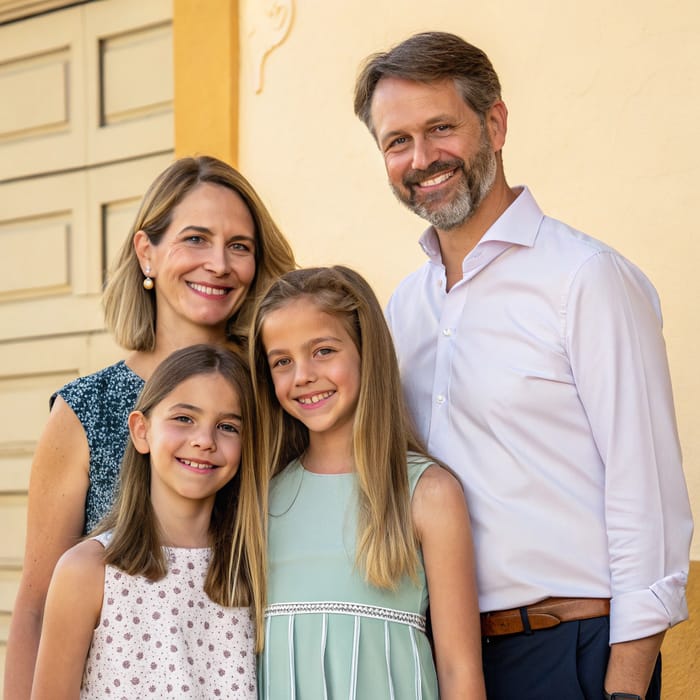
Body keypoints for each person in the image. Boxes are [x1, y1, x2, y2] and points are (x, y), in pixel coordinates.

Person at [353, 31, 693, 700]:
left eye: (441, 128)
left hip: (571, 653)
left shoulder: (586, 279)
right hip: (447, 663)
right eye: (397, 142)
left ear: (496, 124)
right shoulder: (405, 307)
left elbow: (646, 496)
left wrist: (623, 687)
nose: (422, 159)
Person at [5, 155, 295, 699]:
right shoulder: (84, 410)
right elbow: (38, 605)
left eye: (239, 246)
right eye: (195, 239)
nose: (219, 264)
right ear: (148, 253)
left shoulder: (278, 398)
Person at [249, 265, 485, 699]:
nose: (302, 375)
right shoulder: (259, 499)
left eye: (322, 351)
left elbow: (459, 669)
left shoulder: (428, 493)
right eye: (282, 361)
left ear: (366, 351)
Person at [30, 344, 264, 699]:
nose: (204, 440)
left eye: (228, 426)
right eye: (184, 418)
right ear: (141, 431)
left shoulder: (250, 570)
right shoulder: (88, 571)